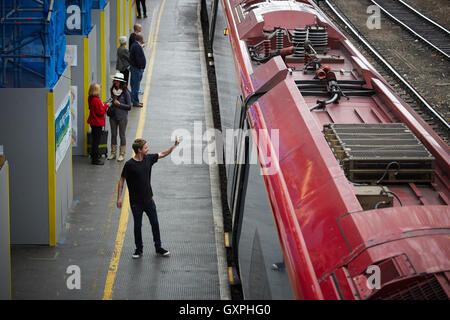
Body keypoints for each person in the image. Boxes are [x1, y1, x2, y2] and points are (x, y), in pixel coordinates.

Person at [117, 137, 180, 259]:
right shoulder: (129, 165)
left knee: (155, 223)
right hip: (136, 203)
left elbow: (162, 154)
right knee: (137, 226)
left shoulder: (148, 159)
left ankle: (158, 247)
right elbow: (121, 180)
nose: (148, 148)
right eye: (145, 147)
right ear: (139, 150)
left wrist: (174, 146)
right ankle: (139, 249)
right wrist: (119, 198)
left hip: (149, 200)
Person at [107, 72, 132, 162]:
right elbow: (111, 100)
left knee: (122, 135)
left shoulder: (126, 93)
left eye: (117, 81)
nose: (116, 83)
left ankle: (122, 154)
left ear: (121, 82)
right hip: (113, 116)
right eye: (115, 81)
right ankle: (113, 153)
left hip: (122, 117)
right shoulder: (112, 90)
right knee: (113, 134)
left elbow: (129, 106)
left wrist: (120, 104)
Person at [87, 83, 110, 165]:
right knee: (96, 142)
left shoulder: (90, 98)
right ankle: (95, 159)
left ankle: (94, 156)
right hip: (97, 123)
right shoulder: (96, 100)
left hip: (93, 122)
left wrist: (98, 86)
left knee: (94, 140)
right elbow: (100, 112)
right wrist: (106, 106)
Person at [129, 33, 146, 108]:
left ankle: (134, 100)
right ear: (141, 40)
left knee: (134, 85)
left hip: (135, 68)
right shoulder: (137, 46)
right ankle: (135, 102)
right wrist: (140, 67)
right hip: (136, 69)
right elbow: (138, 58)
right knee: (136, 86)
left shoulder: (134, 45)